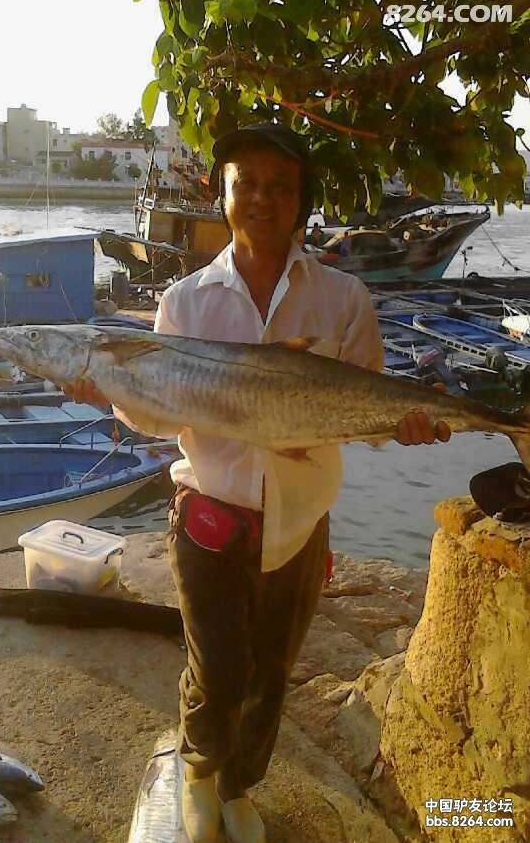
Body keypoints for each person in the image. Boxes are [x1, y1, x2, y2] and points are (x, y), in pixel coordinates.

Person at [65, 122, 451, 843]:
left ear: (300, 199)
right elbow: (158, 416)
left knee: (271, 671)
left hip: (301, 518)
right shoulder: (184, 301)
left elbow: (365, 405)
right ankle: (199, 767)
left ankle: (241, 783)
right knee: (216, 670)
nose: (263, 199)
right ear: (223, 192)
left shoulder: (343, 298)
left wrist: (406, 424)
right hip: (210, 512)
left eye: (281, 186)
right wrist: (111, 390)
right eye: (247, 184)